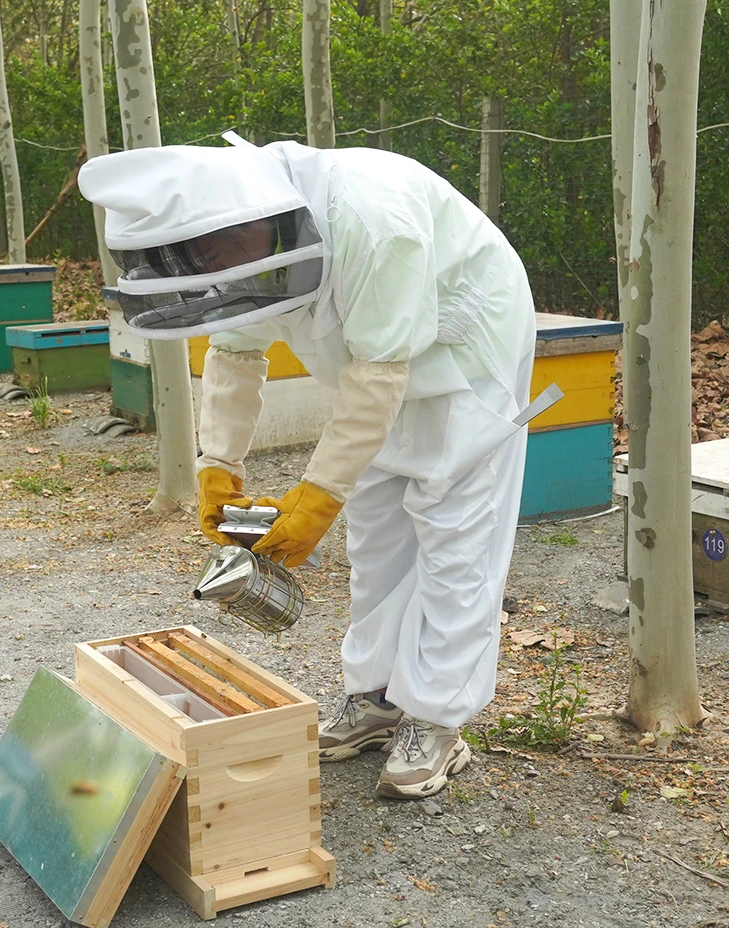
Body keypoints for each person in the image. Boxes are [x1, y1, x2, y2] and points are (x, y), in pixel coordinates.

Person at [78, 132, 545, 800]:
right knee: (378, 533)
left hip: (469, 348)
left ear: (255, 221)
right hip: (375, 364)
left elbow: (381, 374)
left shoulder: (372, 220)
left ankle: (439, 721)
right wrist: (219, 464)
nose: (216, 272)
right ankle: (376, 697)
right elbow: (236, 356)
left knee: (453, 536)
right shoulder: (237, 241)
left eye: (215, 255)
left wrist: (317, 493)